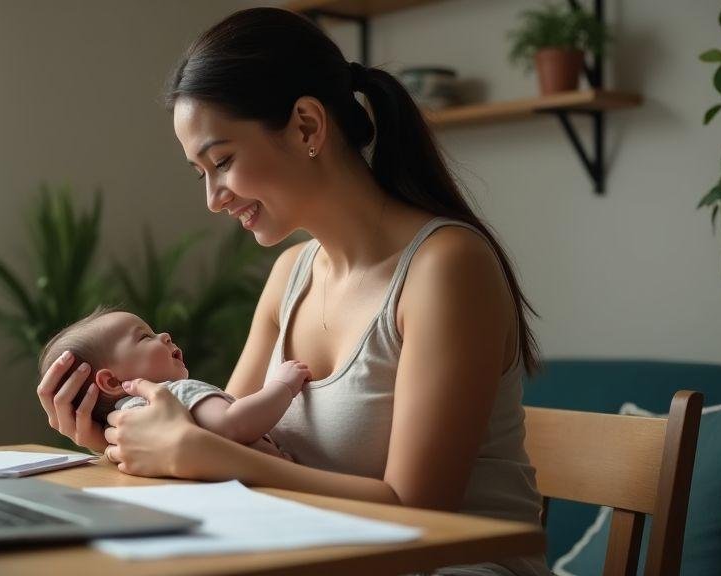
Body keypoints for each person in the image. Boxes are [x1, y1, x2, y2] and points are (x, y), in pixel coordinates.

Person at [36, 7, 548, 575]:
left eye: (222, 161)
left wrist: (200, 454)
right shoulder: (289, 277)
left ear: (307, 126)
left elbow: (419, 513)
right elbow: (212, 438)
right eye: (200, 172)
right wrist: (114, 430)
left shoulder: (446, 267)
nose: (213, 198)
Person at [37, 307, 307, 460]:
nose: (164, 335)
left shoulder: (123, 425)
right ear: (110, 380)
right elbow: (233, 424)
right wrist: (282, 386)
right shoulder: (176, 392)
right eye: (144, 337)